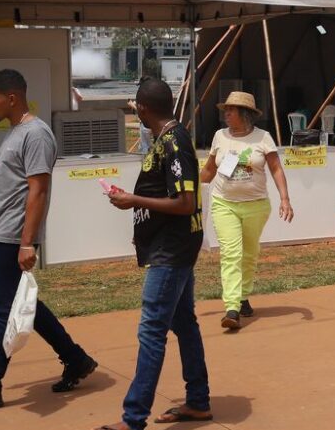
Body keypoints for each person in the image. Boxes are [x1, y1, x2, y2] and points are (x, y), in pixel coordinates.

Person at [0, 69, 97, 416]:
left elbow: (38, 190)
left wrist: (27, 243)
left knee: (4, 312)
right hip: (4, 232)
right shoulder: (17, 132)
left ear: (12, 98)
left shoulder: (37, 134)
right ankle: (76, 359)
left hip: (13, 236)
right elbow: (14, 179)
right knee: (23, 304)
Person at [100, 78, 211, 429]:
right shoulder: (165, 138)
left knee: (151, 330)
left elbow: (185, 202)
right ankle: (198, 402)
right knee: (183, 322)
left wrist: (133, 201)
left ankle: (133, 418)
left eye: (136, 108)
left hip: (173, 250)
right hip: (171, 244)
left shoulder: (174, 142)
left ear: (143, 108)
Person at [201, 91, 295, 330]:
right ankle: (232, 307)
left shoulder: (263, 138)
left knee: (249, 254)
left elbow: (275, 169)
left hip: (256, 206)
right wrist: (189, 189)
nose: (226, 114)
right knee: (231, 253)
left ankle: (243, 296)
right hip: (224, 204)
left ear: (244, 114)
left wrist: (285, 198)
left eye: (231, 111)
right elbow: (210, 171)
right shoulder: (219, 136)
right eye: (226, 110)